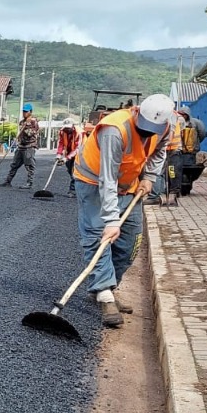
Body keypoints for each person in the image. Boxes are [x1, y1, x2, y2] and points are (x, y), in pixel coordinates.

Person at [70, 93, 174, 328]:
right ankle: (105, 294)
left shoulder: (167, 126)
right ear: (138, 112)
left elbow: (160, 152)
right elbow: (107, 177)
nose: (147, 133)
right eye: (144, 127)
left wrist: (149, 177)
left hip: (129, 185)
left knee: (131, 243)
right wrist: (111, 220)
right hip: (94, 182)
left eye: (153, 130)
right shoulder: (114, 129)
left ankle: (106, 285)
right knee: (99, 236)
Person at [0, 103, 40, 188]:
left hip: (29, 147)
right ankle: (8, 181)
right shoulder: (22, 122)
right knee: (14, 165)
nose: (24, 113)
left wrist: (26, 127)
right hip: (21, 146)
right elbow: (20, 134)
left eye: (26, 112)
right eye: (23, 111)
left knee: (29, 165)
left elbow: (30, 134)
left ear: (30, 112)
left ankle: (29, 183)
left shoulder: (33, 122)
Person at [56, 119, 81, 196]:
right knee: (70, 171)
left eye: (68, 128)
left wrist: (66, 158)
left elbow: (78, 148)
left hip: (80, 154)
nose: (67, 129)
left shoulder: (79, 133)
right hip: (69, 153)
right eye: (65, 128)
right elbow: (61, 143)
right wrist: (59, 155)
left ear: (73, 127)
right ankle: (78, 188)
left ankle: (72, 191)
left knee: (75, 172)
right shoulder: (62, 132)